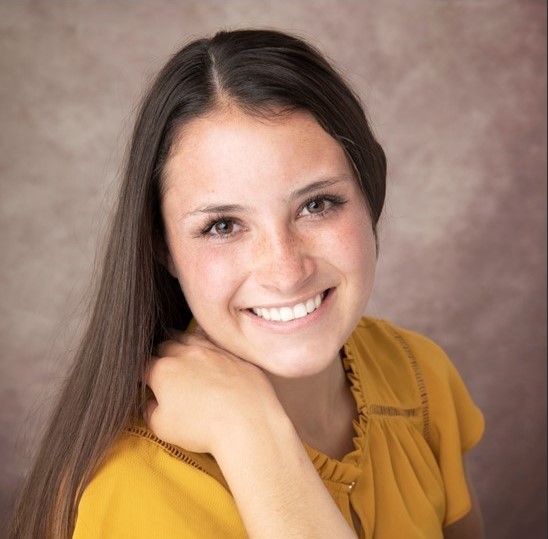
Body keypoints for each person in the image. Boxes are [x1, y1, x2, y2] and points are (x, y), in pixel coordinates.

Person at [9, 29, 485, 538]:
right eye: (223, 226)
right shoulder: (132, 493)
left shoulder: (419, 375)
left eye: (316, 204)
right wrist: (249, 434)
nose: (285, 270)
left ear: (371, 194)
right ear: (162, 247)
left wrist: (251, 432)